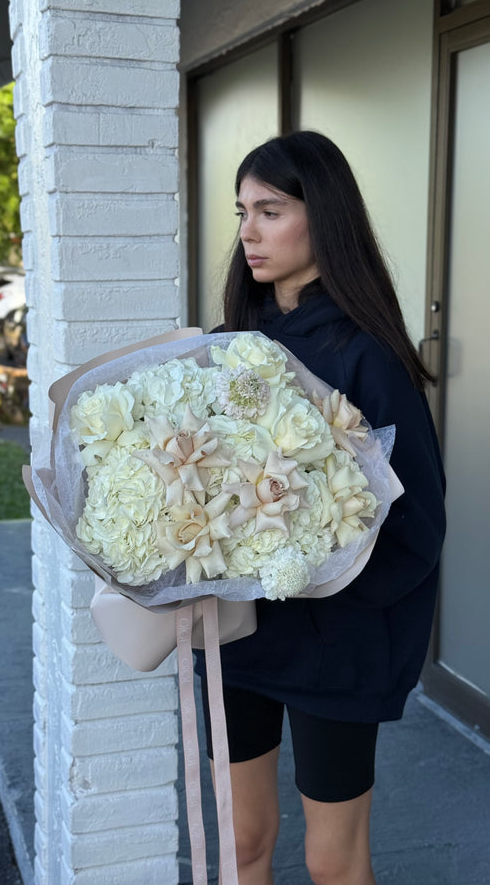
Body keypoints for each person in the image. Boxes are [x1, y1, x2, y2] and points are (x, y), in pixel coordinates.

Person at [195, 131, 446, 885]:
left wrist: (310, 574)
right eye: (242, 212)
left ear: (323, 215)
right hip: (239, 633)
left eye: (270, 210)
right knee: (242, 840)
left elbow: (418, 528)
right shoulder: (225, 347)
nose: (247, 233)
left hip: (335, 644)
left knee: (333, 860)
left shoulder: (366, 354)